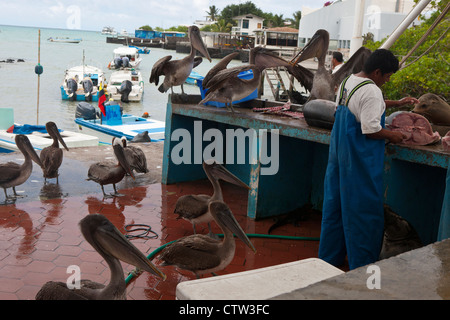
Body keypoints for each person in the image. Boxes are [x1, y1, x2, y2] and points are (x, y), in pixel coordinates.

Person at [318, 49, 419, 270]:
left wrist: (397, 103)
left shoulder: (348, 81)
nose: (387, 80)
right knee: (363, 215)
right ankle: (362, 269)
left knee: (335, 211)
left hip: (339, 157)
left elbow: (359, 104)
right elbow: (371, 130)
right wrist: (394, 135)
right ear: (377, 72)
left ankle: (328, 262)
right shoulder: (372, 91)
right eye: (387, 76)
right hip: (359, 162)